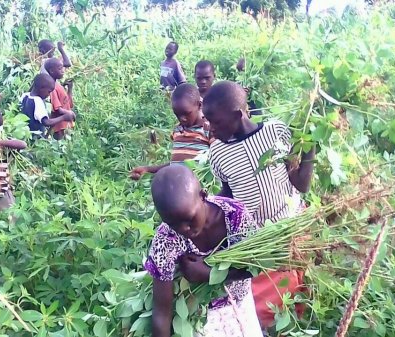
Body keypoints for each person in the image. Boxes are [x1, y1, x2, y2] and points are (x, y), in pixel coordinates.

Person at [203, 80, 315, 329]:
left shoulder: (276, 133)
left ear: (237, 114)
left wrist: (310, 147)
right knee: (263, 302)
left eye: (216, 122)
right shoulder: (218, 153)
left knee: (298, 289)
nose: (211, 129)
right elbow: (228, 196)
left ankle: (295, 324)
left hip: (291, 225)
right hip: (258, 239)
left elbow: (301, 184)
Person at [146, 164, 262, 337]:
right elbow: (161, 314)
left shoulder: (235, 215)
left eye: (189, 219)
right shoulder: (166, 240)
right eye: (173, 223)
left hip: (240, 302)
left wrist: (208, 274)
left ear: (203, 196)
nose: (184, 229)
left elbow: (258, 265)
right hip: (202, 316)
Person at [130, 84, 210, 180]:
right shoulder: (177, 131)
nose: (182, 119)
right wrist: (147, 169)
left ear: (199, 105)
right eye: (177, 114)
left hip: (201, 188)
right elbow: (175, 164)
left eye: (186, 114)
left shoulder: (209, 128)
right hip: (178, 186)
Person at [21, 73, 75, 140]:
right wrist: (64, 117)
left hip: (26, 135)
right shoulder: (38, 101)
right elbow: (46, 122)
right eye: (49, 92)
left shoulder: (25, 96)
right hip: (36, 139)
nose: (49, 95)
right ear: (41, 88)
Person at [44, 58, 75, 140]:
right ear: (51, 71)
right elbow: (58, 110)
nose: (63, 71)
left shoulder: (58, 84)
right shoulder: (52, 88)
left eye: (63, 68)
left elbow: (69, 104)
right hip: (59, 127)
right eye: (60, 68)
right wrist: (70, 114)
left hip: (66, 125)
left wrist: (69, 89)